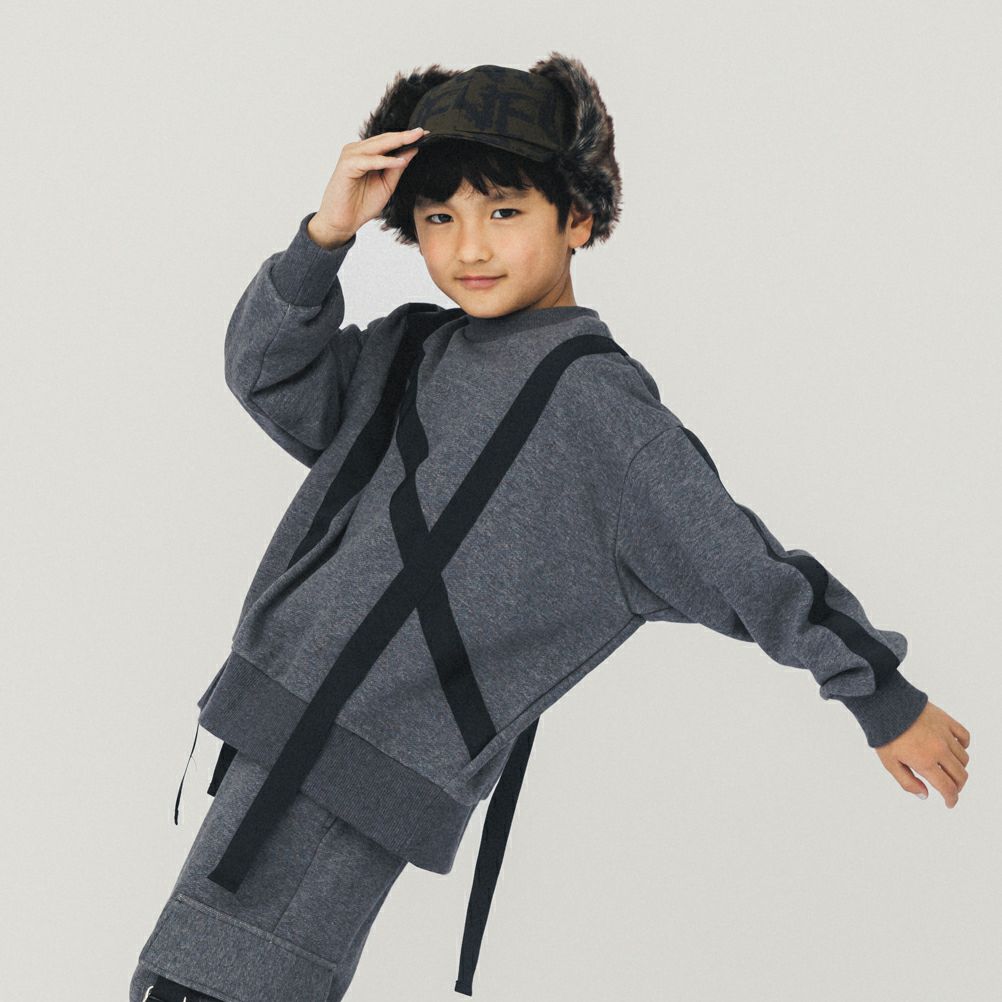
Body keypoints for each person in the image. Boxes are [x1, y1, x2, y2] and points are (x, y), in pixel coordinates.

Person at [130, 55, 971, 1002]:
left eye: (504, 211)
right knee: (193, 982)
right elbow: (265, 371)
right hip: (275, 726)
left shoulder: (600, 412)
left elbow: (738, 560)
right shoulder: (411, 350)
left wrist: (879, 693)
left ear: (578, 217)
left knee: (204, 987)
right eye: (439, 218)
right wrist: (325, 235)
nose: (470, 247)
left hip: (355, 769)